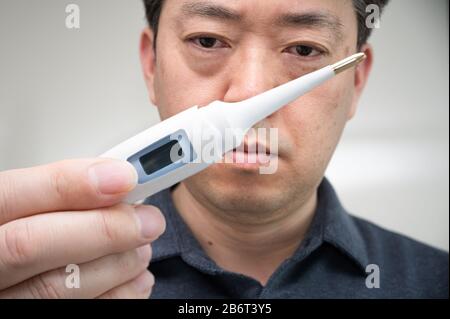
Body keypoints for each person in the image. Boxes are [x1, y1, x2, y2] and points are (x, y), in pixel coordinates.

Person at [0, 0, 447, 299]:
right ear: (152, 63)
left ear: (355, 82)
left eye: (305, 49)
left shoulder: (434, 284)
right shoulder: (52, 278)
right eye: (208, 41)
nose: (249, 95)